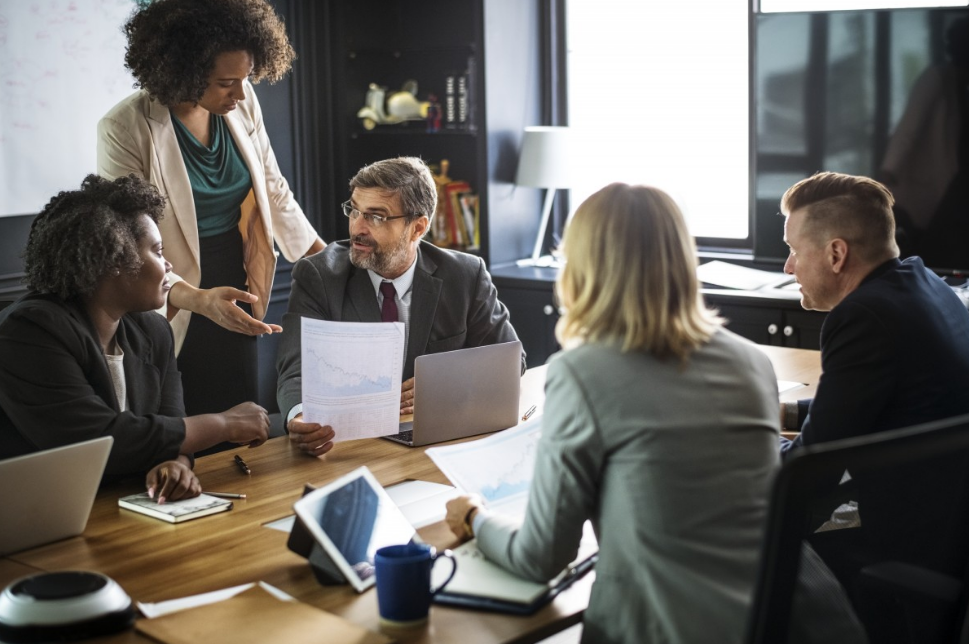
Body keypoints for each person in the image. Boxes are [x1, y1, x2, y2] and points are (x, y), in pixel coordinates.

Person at [444, 183, 865, 644]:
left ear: (581, 267)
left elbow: (541, 556)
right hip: (795, 620)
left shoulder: (581, 372)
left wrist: (474, 518)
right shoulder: (752, 362)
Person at [97, 0, 325, 420]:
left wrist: (328, 262)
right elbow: (127, 242)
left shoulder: (242, 100)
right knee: (184, 414)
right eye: (226, 83)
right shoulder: (124, 128)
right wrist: (198, 299)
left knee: (238, 410)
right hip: (165, 285)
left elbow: (274, 190)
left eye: (246, 79)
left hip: (235, 274)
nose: (240, 93)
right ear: (182, 69)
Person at [0, 175, 271, 502]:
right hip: (40, 515)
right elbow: (98, 441)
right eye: (157, 251)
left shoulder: (153, 331)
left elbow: (171, 429)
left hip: (127, 511)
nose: (168, 264)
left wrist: (175, 465)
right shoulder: (30, 331)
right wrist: (224, 424)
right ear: (115, 261)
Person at [276, 157, 523, 457]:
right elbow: (295, 368)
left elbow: (510, 361)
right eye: (354, 210)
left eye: (376, 217)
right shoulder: (319, 275)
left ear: (417, 228)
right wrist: (300, 416)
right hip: (350, 447)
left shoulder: (465, 276)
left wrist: (442, 386)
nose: (358, 228)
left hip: (436, 444)